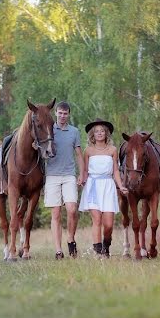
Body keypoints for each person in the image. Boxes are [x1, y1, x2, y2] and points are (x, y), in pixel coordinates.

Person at [78, 119, 129, 258]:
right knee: (97, 220)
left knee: (108, 225)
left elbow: (116, 171)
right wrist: (82, 178)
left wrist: (121, 186)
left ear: (106, 133)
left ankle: (106, 245)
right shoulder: (88, 150)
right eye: (96, 131)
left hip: (108, 186)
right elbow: (85, 170)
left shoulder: (112, 150)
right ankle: (98, 252)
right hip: (93, 186)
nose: (99, 133)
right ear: (92, 135)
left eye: (102, 131)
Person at [44, 101, 85, 259]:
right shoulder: (49, 128)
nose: (62, 116)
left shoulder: (74, 131)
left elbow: (79, 154)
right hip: (52, 175)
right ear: (55, 113)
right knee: (56, 214)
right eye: (60, 113)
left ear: (69, 115)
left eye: (65, 113)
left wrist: (82, 174)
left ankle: (70, 239)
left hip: (69, 175)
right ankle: (58, 250)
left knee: (72, 209)